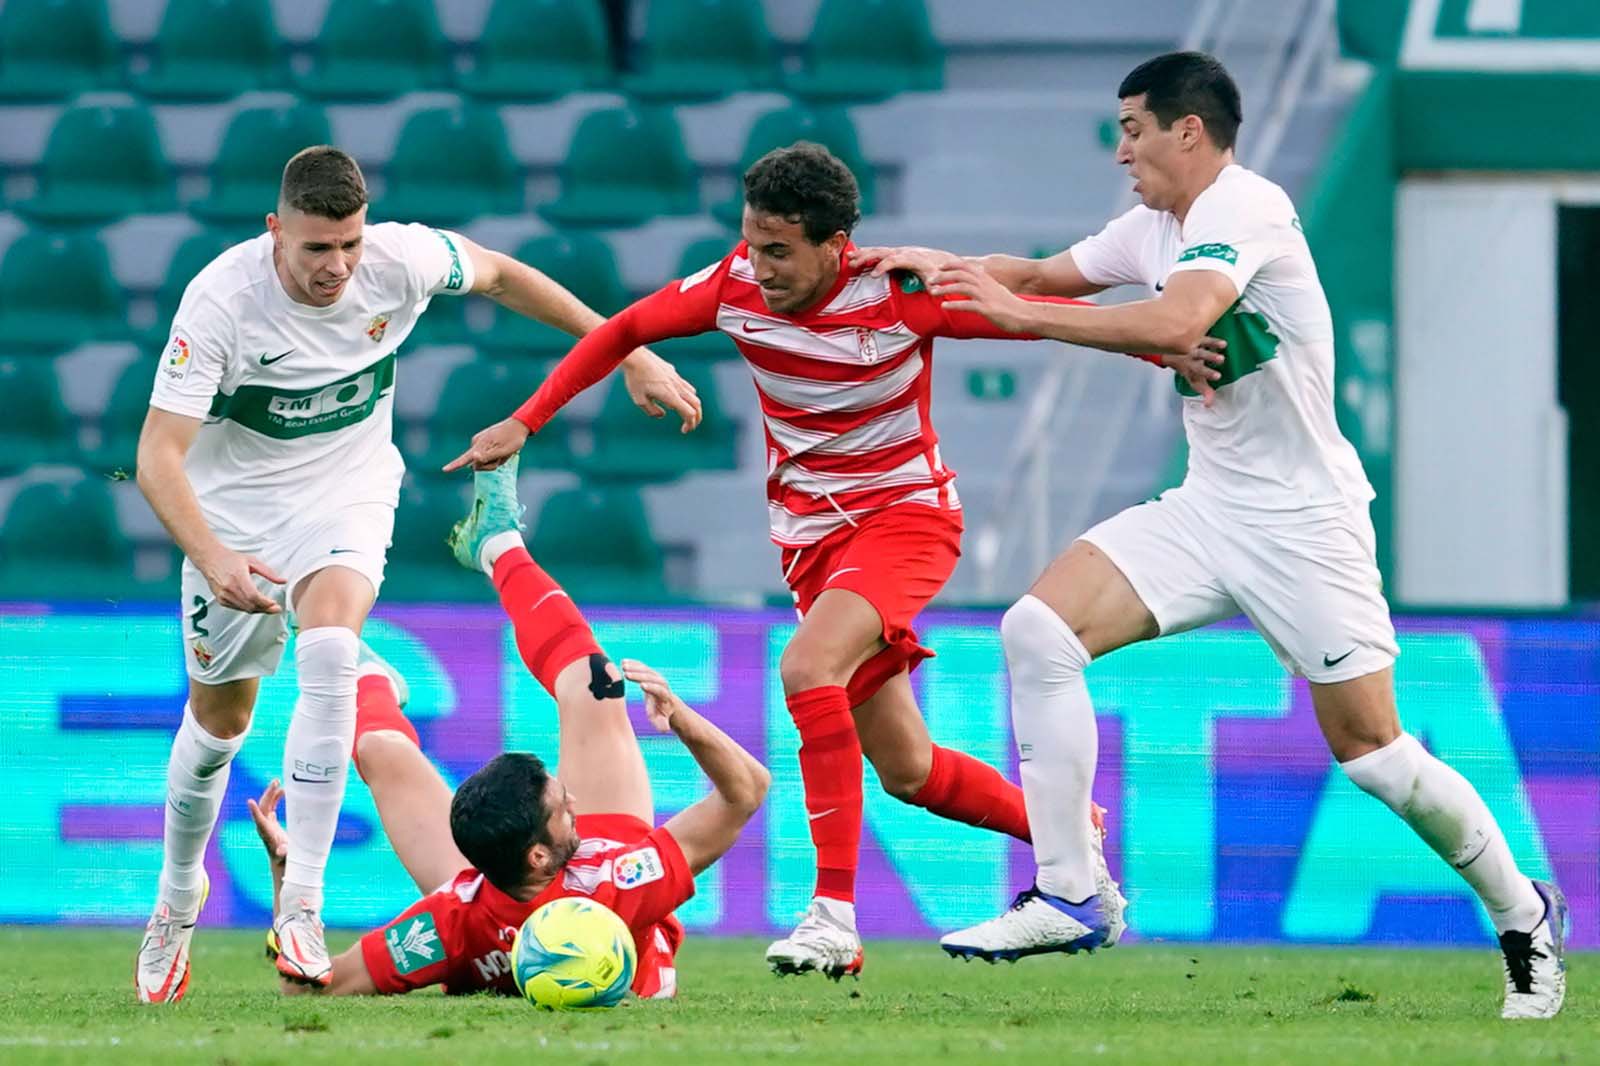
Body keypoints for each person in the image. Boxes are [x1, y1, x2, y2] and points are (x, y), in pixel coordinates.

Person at [854, 51, 1567, 1020]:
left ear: (1188, 130)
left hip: (1303, 523)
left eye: (1131, 130)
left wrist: (1026, 313)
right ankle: (1072, 891)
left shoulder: (1246, 210)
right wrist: (926, 268)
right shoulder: (1153, 226)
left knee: (1373, 755)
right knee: (1037, 631)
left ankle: (1523, 911)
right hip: (1207, 509)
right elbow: (1040, 272)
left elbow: (1176, 315)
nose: (1120, 152)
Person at [445, 143, 1201, 978]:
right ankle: (1071, 833)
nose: (758, 267)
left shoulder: (899, 298)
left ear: (835, 244)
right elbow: (625, 328)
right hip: (813, 545)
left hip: (905, 520)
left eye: (779, 250)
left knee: (808, 669)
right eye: (752, 243)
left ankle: (833, 916)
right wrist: (527, 421)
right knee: (909, 770)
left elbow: (1028, 316)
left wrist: (1159, 348)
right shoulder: (733, 287)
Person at [134, 145, 701, 1002]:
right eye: (317, 248)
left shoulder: (400, 258)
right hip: (237, 514)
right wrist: (213, 558)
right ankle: (179, 895)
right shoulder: (220, 302)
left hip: (347, 490)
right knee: (218, 730)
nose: (339, 267)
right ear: (273, 231)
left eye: (350, 245)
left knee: (329, 647)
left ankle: (304, 905)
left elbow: (505, 276)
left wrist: (622, 349)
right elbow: (156, 457)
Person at [247, 458, 769, 998]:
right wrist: (681, 720)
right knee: (385, 746)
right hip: (556, 878)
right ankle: (367, 667)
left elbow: (309, 992)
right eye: (564, 807)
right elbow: (746, 790)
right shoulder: (619, 882)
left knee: (595, 681)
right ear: (539, 854)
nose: (575, 803)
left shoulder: (452, 923)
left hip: (512, 886)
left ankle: (492, 545)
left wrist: (289, 878)